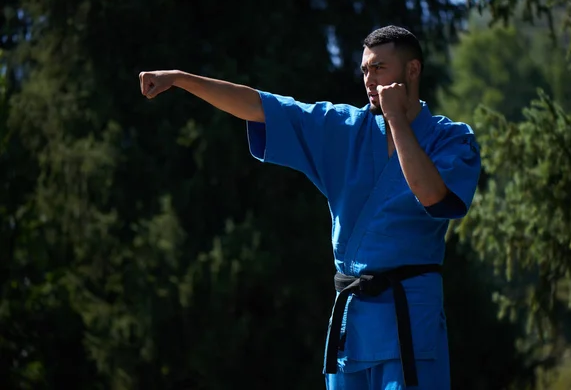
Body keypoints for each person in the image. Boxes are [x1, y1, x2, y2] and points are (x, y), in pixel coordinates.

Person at [139, 25, 481, 390]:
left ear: (412, 70)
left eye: (380, 68)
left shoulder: (452, 139)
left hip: (409, 323)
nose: (368, 79)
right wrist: (181, 79)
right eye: (364, 69)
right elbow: (260, 106)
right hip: (353, 326)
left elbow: (432, 196)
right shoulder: (343, 128)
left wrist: (396, 118)